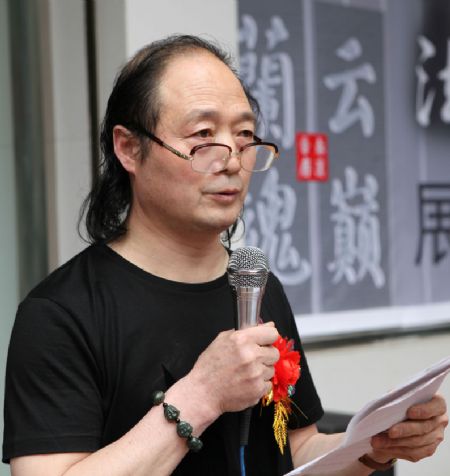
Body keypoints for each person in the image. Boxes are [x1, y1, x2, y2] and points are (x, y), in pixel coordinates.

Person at [2, 35, 447, 476]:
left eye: (244, 135)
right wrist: (202, 395)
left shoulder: (256, 286)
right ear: (129, 148)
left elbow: (294, 449)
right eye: (203, 135)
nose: (232, 160)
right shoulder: (60, 314)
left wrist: (373, 446)